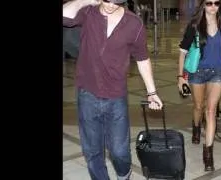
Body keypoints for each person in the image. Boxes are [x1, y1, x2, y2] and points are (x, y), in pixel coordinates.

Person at [63, 0, 163, 179]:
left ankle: (124, 174)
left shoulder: (134, 24)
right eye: (106, 0)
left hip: (116, 96)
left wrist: (152, 92)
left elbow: (142, 58)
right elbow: (64, 15)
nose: (110, 5)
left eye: (116, 1)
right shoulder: (88, 13)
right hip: (87, 93)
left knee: (119, 151)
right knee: (92, 151)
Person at [177, 0, 221, 171]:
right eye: (209, 3)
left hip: (217, 71)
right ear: (203, 6)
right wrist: (181, 77)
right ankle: (195, 127)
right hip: (197, 72)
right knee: (199, 106)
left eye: (216, 3)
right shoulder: (194, 26)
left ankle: (208, 154)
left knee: (211, 110)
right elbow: (182, 51)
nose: (213, 6)